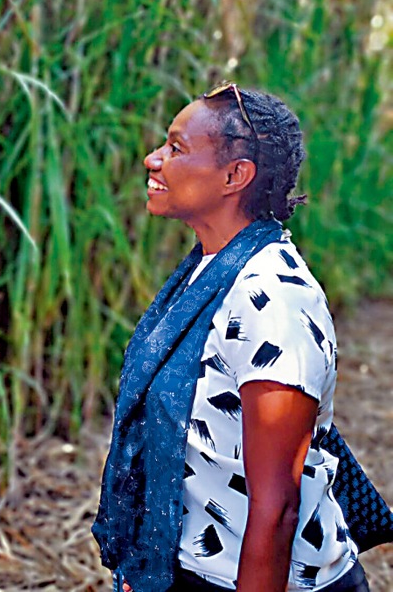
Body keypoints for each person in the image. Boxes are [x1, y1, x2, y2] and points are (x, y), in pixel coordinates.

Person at [93, 83, 369, 592]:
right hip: (192, 569)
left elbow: (278, 509)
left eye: (176, 148)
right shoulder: (207, 270)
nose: (153, 159)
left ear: (235, 176)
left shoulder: (274, 301)